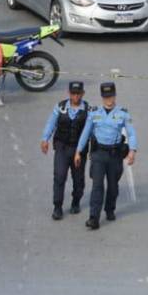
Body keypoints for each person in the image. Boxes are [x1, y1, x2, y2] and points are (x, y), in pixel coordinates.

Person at [75, 82, 138, 230]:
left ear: (115, 95)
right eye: (106, 97)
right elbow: (86, 132)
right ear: (102, 97)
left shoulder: (123, 113)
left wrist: (132, 151)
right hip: (98, 154)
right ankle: (93, 217)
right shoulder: (94, 113)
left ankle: (110, 209)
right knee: (97, 186)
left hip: (115, 155)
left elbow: (131, 133)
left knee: (113, 186)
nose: (108, 99)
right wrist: (78, 151)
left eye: (111, 96)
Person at [41, 80, 90, 219]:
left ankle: (76, 201)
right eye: (73, 94)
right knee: (59, 176)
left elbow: (90, 130)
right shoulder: (60, 107)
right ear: (68, 93)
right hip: (62, 147)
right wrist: (45, 139)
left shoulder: (88, 110)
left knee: (78, 178)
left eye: (78, 94)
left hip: (79, 150)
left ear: (83, 94)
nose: (76, 97)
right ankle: (57, 207)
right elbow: (51, 122)